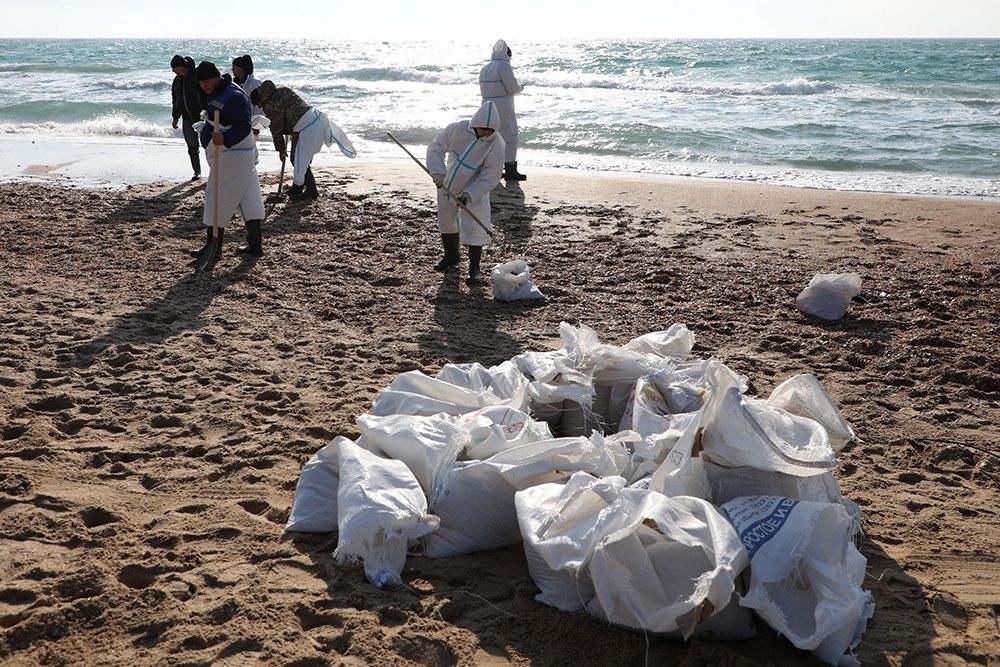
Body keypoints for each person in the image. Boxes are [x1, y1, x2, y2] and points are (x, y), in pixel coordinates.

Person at [426, 101, 505, 284]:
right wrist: (437, 172)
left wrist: (470, 194)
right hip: (447, 184)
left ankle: (474, 269)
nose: (486, 133)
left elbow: (491, 175)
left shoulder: (496, 143)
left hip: (475, 188)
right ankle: (451, 256)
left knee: (475, 226)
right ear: (474, 124)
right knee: (446, 221)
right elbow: (436, 147)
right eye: (483, 129)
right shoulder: (457, 129)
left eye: (490, 130)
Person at [193, 61, 266, 260]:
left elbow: (243, 126)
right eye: (201, 83)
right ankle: (255, 245)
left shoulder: (233, 96)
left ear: (216, 77)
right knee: (249, 197)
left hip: (234, 153)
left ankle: (213, 247)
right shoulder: (218, 92)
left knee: (216, 197)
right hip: (236, 154)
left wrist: (225, 138)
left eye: (206, 81)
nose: (204, 86)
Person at [479, 39, 525, 182]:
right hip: (503, 106)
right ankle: (510, 169)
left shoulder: (485, 68)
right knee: (510, 136)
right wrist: (521, 87)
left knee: (490, 136)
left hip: (486, 105)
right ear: (506, 53)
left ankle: (492, 170)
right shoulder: (504, 66)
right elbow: (512, 88)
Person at [170, 55, 205, 180]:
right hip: (186, 118)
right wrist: (175, 117)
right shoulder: (177, 81)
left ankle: (215, 170)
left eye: (174, 68)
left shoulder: (197, 77)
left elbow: (207, 94)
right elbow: (175, 100)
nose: (173, 71)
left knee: (208, 145)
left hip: (202, 117)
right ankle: (197, 172)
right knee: (192, 146)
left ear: (182, 66)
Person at [231, 54, 263, 120]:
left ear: (241, 69)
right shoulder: (233, 83)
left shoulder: (254, 82)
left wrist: (256, 124)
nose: (232, 69)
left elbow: (259, 106)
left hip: (252, 121)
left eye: (234, 67)